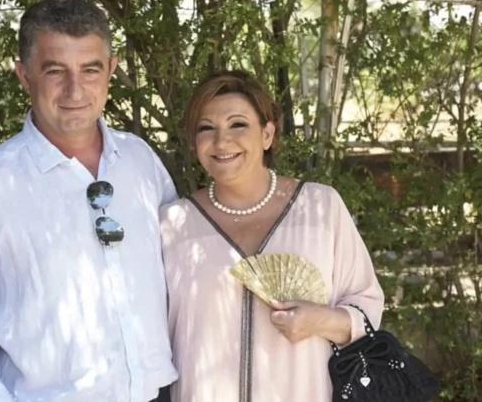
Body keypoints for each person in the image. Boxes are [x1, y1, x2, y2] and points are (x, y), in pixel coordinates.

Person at [0, 0, 177, 402]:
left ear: (111, 70)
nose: (75, 90)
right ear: (24, 76)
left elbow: (179, 279)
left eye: (90, 69)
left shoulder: (141, 162)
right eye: (55, 71)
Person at [160, 70, 385, 402]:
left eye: (238, 124)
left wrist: (321, 320)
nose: (222, 141)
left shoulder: (320, 207)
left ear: (267, 134)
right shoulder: (174, 224)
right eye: (206, 128)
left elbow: (367, 306)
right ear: (194, 144)